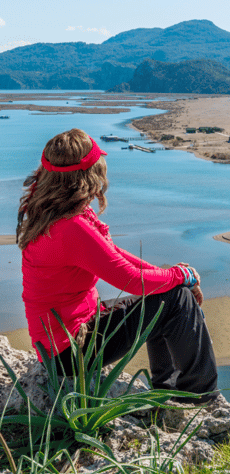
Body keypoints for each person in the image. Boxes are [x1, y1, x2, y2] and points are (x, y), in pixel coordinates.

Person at [17, 128, 218, 403]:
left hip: (61, 345)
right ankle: (199, 397)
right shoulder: (71, 227)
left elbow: (112, 255)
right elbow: (131, 281)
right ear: (91, 173)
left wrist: (173, 274)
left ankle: (169, 387)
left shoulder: (52, 211)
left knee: (166, 292)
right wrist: (180, 278)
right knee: (177, 299)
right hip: (71, 353)